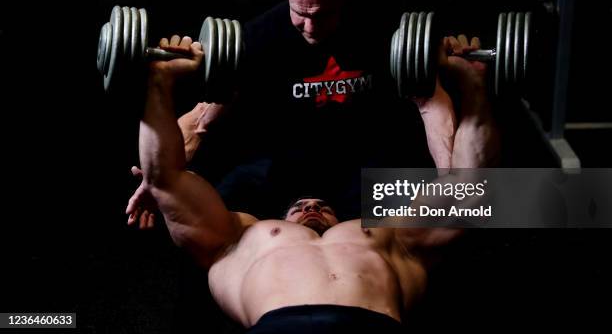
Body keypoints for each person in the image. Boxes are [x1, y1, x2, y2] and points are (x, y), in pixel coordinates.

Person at [126, 26, 500, 331]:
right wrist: (159, 82)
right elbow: (168, 178)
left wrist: (474, 86)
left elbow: (467, 189)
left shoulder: (392, 239)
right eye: (303, 205)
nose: (312, 208)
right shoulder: (238, 240)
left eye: (318, 205)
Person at [128, 0, 442, 227]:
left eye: (322, 15)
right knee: (193, 214)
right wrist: (157, 182)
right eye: (299, 13)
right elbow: (200, 122)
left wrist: (464, 74)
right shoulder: (258, 38)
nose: (309, 27)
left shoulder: (384, 31)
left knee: (471, 205)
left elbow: (432, 105)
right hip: (282, 171)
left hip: (364, 165)